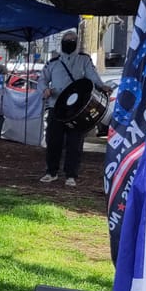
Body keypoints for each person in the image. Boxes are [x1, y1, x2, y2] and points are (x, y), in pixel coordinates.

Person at [36, 29, 110, 187]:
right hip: (56, 107)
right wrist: (45, 90)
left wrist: (101, 86)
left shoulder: (84, 60)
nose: (69, 43)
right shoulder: (53, 63)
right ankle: (51, 172)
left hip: (77, 111)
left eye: (72, 41)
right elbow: (42, 79)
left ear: (76, 43)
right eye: (66, 41)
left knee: (75, 143)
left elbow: (92, 76)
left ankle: (71, 175)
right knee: (53, 140)